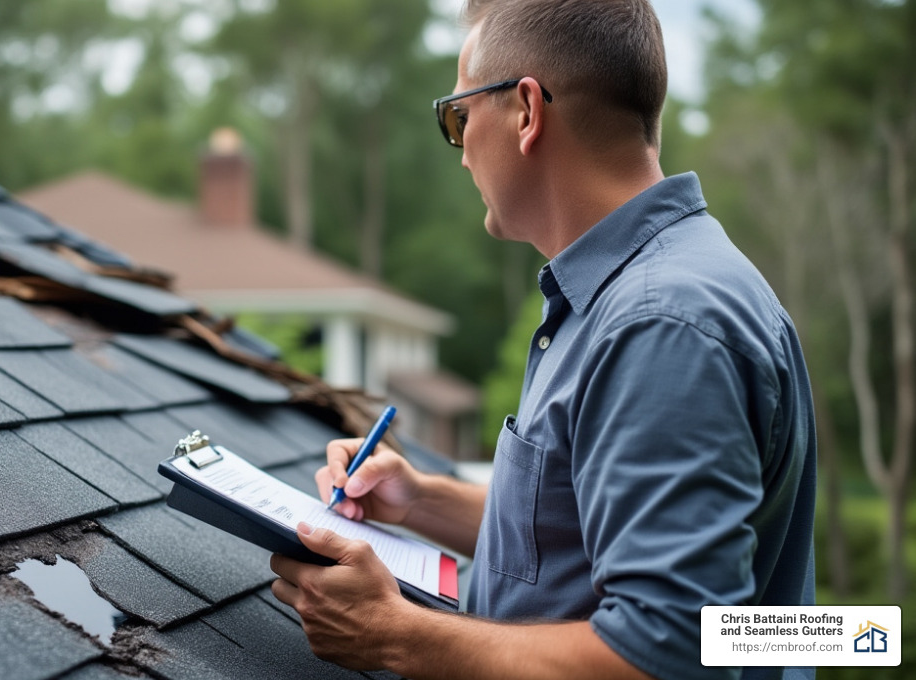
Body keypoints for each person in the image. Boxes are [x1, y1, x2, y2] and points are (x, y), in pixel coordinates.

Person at [269, 1, 817, 679]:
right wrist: (420, 501)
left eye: (459, 115)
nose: (462, 147)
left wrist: (393, 635)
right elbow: (586, 535)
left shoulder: (660, 325)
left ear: (526, 111)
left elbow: (666, 655)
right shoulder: (638, 295)